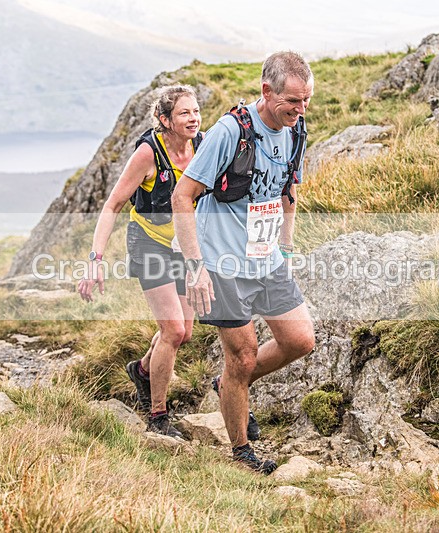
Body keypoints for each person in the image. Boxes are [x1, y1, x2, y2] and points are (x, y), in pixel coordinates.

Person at [172, 52, 316, 474]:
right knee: (243, 356)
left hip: (266, 259)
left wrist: (285, 251)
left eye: (306, 100)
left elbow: (288, 191)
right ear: (266, 91)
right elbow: (182, 197)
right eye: (292, 100)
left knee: (300, 340)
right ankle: (241, 453)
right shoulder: (229, 132)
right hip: (221, 264)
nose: (300, 109)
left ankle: (229, 387)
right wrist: (195, 266)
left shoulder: (296, 130)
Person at [77, 85, 202, 438]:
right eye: (183, 113)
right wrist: (95, 259)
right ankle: (158, 416)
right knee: (173, 330)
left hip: (184, 247)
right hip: (148, 242)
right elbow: (112, 205)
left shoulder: (202, 146)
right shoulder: (149, 153)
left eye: (195, 111)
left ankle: (143, 370)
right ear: (164, 120)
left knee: (185, 333)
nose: (193, 118)